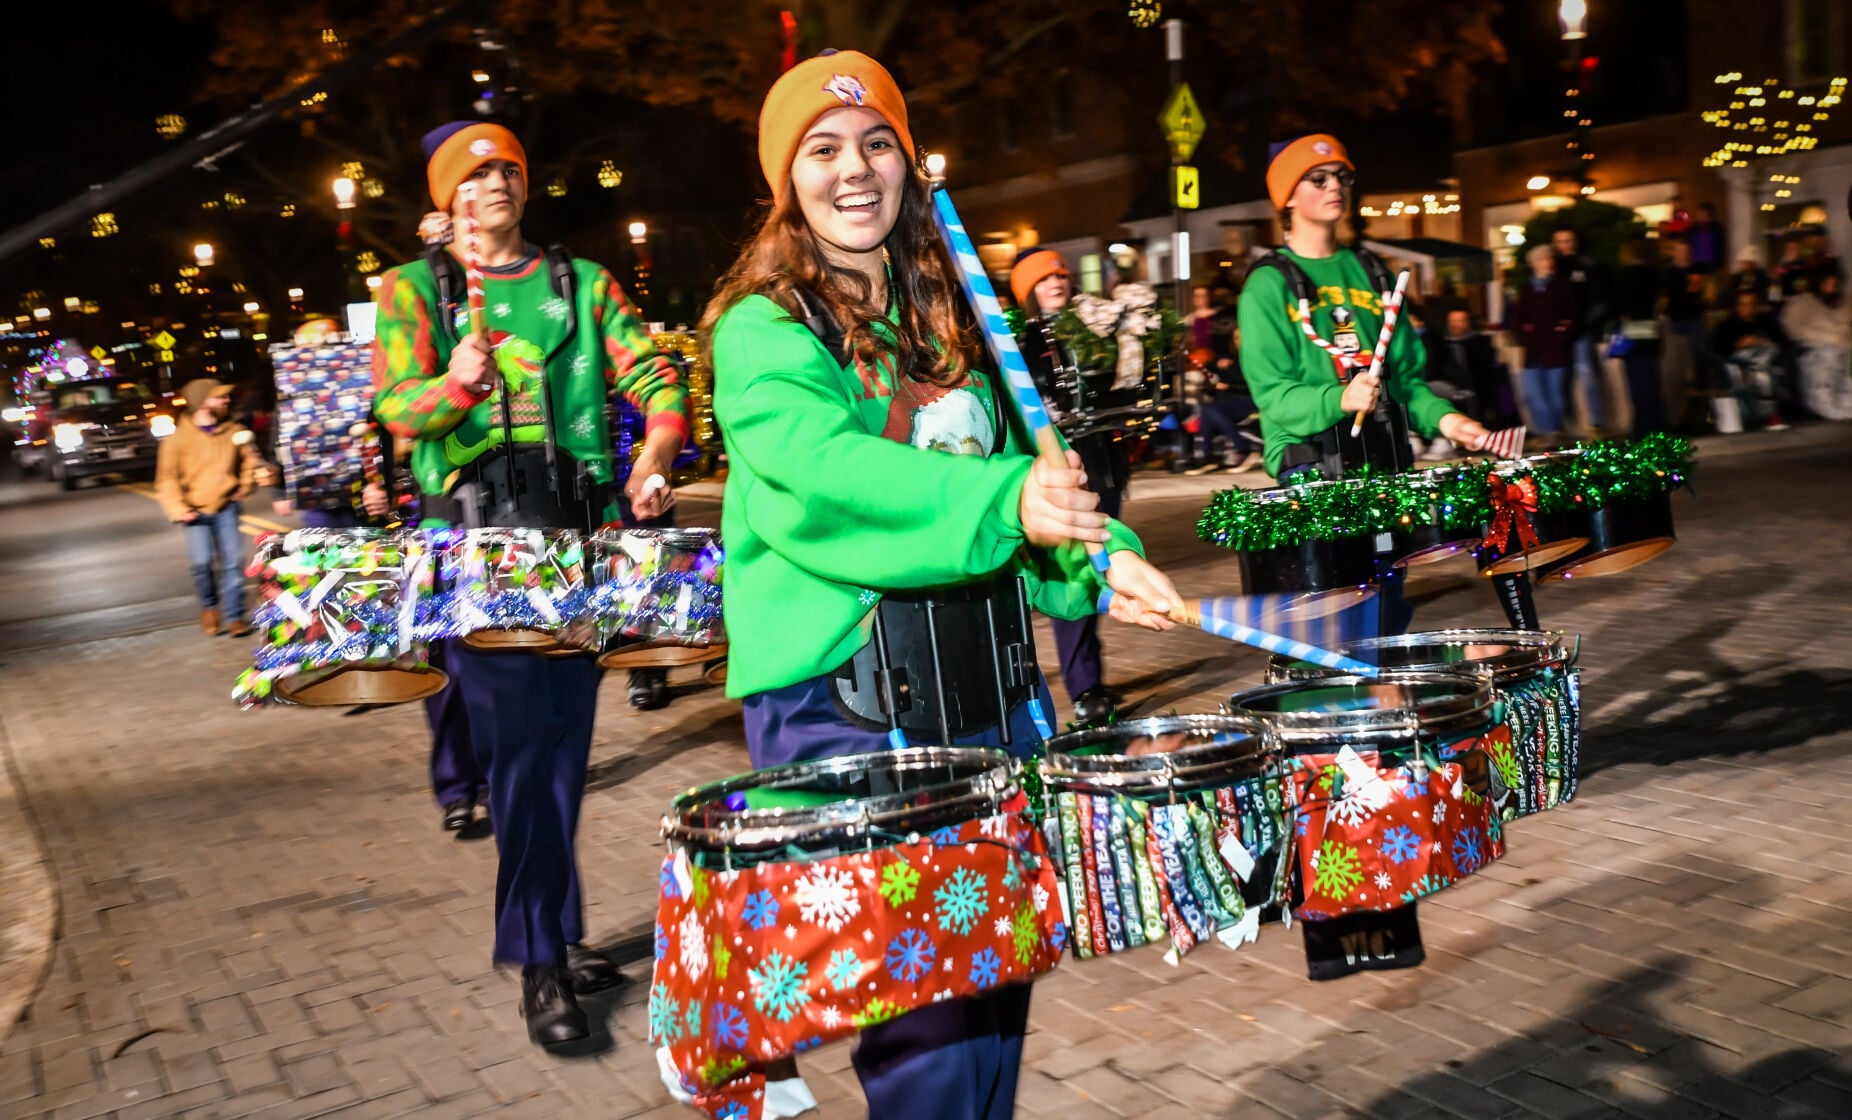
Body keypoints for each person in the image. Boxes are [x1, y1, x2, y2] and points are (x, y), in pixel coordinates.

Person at [703, 50, 1182, 1119]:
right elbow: (820, 477)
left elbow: (1031, 472)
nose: (855, 169)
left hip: (990, 694)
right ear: (788, 183)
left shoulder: (954, 318)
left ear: (910, 167)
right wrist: (1008, 502)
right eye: (822, 151)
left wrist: (1097, 561)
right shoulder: (762, 328)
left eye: (877, 143)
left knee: (994, 996)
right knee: (925, 1032)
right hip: (850, 705)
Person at [370, 120, 689, 1046]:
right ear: (446, 201)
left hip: (576, 540)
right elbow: (397, 407)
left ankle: (556, 926)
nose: (492, 183)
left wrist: (657, 452)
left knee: (560, 747)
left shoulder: (579, 285)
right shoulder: (413, 292)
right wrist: (455, 383)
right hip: (473, 547)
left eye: (505, 167)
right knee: (518, 755)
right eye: (471, 175)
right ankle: (541, 959)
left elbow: (655, 374)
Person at [1239, 134, 1489, 635]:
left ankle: (1386, 697)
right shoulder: (1268, 284)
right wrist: (1338, 397)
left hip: (1382, 458)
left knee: (1388, 607)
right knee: (1342, 614)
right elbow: (1273, 396)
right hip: (1311, 463)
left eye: (1343, 177)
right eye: (1319, 178)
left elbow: (1405, 381)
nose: (1336, 186)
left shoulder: (1371, 271)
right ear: (1287, 197)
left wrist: (1450, 420)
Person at [1009, 247, 1134, 725]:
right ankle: (1086, 687)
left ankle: (1089, 678)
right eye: (1043, 280)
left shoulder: (1097, 329)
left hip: (1105, 461)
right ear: (1028, 293)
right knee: (1075, 573)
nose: (1056, 283)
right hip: (1060, 466)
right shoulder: (1020, 344)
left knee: (1105, 566)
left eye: (1060, 275)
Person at [155, 378, 269, 637]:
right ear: (202, 401)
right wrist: (179, 508)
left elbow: (249, 461)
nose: (226, 401)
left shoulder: (233, 431)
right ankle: (208, 607)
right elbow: (167, 479)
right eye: (219, 397)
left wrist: (245, 484)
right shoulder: (176, 440)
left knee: (232, 562)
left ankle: (235, 616)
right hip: (194, 512)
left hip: (226, 506)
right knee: (201, 563)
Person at [1422, 308, 1506, 453]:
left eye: (1461, 321)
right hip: (1448, 385)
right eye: (1453, 321)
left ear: (1468, 322)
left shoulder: (1479, 341)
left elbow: (1486, 368)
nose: (1457, 324)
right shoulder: (1440, 343)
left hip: (1477, 386)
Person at [1552, 225, 1607, 436]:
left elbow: (1598, 300)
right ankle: (1562, 424)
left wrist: (1583, 326)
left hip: (1581, 330)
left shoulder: (1587, 266)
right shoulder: (1552, 267)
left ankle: (1596, 423)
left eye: (1568, 240)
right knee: (1559, 377)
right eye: (1560, 241)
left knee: (1587, 374)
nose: (1565, 245)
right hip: (1558, 333)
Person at [1710, 289, 1794, 430]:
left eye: (1750, 304)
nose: (1746, 308)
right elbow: (1718, 349)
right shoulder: (1727, 325)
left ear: (1756, 306)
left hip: (1766, 359)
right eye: (1742, 304)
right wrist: (1738, 344)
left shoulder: (1768, 323)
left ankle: (1766, 415)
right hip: (1740, 360)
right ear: (1736, 306)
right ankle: (1769, 415)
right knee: (1763, 369)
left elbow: (1785, 344)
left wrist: (1760, 341)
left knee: (1766, 360)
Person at [1612, 238, 1668, 435]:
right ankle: (1657, 425)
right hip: (1651, 329)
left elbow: (1620, 303)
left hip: (1634, 329)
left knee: (1637, 383)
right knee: (1651, 380)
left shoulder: (1629, 274)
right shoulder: (1655, 273)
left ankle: (1642, 429)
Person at [1781, 268, 1852, 420]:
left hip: (1847, 352)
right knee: (1827, 390)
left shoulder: (1847, 304)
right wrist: (1828, 338)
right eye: (1827, 284)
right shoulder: (1803, 304)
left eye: (1835, 284)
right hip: (1819, 353)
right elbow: (1794, 330)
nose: (1831, 288)